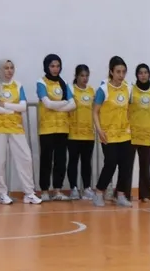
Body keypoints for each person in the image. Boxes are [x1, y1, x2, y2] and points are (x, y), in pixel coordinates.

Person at [0, 59, 40, 205]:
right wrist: (12, 109)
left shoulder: (18, 85)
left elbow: (23, 107)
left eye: (11, 68)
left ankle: (29, 193)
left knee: (25, 158)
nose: (9, 71)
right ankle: (1, 193)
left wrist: (4, 105)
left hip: (15, 126)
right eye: (6, 68)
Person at [92, 56, 134, 207]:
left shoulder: (128, 88)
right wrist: (99, 130)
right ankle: (99, 192)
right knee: (110, 163)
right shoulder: (103, 89)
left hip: (125, 134)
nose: (121, 75)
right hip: (108, 134)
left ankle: (120, 195)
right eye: (118, 72)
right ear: (111, 72)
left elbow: (130, 109)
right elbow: (95, 111)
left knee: (126, 165)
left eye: (123, 72)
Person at [36, 54, 75, 202]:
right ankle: (44, 191)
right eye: (52, 66)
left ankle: (57, 190)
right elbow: (47, 103)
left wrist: (56, 106)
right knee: (46, 160)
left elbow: (73, 104)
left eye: (58, 66)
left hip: (63, 128)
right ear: (47, 66)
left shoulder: (64, 83)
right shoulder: (41, 82)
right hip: (47, 128)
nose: (55, 69)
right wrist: (63, 103)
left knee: (60, 160)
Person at [129, 63, 150, 203]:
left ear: (149, 74)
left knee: (145, 167)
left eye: (145, 72)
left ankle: (145, 194)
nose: (143, 75)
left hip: (147, 135)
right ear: (136, 75)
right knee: (127, 166)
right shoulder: (130, 91)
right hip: (131, 134)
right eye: (140, 73)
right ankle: (124, 194)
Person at [66, 64, 96, 200]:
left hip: (88, 134)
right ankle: (73, 188)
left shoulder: (92, 91)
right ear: (76, 76)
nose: (85, 78)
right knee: (73, 161)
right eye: (82, 76)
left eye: (87, 76)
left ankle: (87, 188)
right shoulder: (70, 89)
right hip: (73, 133)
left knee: (86, 162)